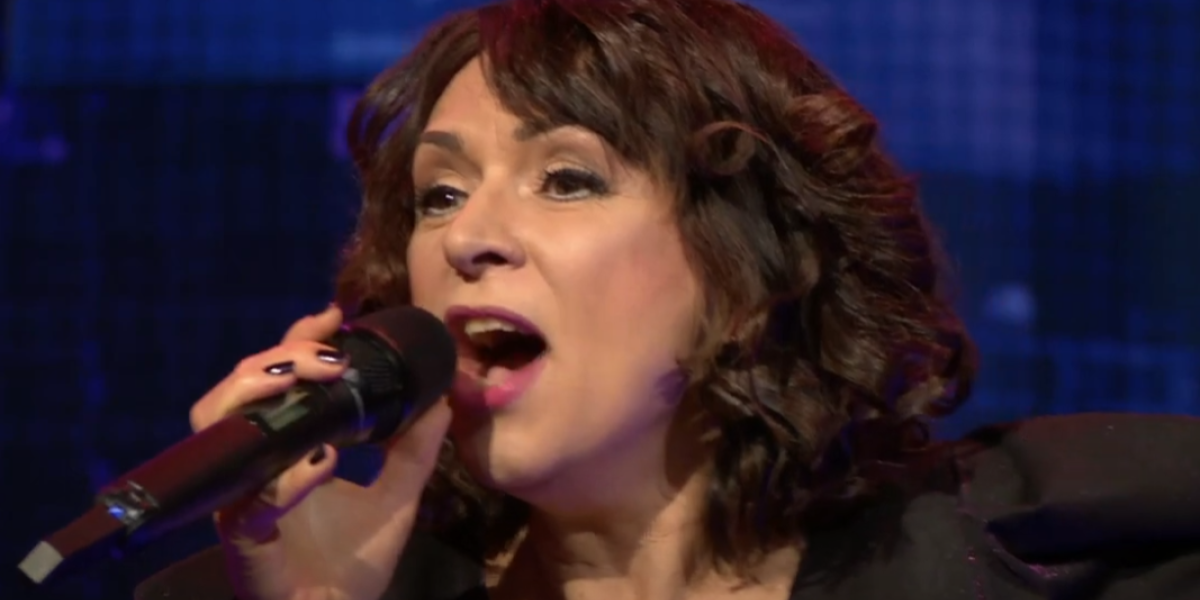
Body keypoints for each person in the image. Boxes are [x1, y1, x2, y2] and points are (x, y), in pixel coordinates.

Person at [136, 0, 1200, 599]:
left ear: (747, 261)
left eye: (567, 178)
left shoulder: (1052, 546)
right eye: (440, 194)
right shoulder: (276, 588)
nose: (465, 237)